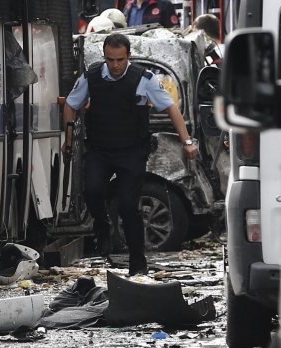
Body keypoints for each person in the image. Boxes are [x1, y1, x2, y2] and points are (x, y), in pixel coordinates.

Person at [62, 33, 199, 275]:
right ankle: (103, 226)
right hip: (100, 149)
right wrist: (69, 137)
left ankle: (138, 264)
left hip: (132, 152)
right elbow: (71, 104)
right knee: (92, 192)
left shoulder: (144, 79)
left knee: (129, 207)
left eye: (120, 60)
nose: (115, 65)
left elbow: (170, 108)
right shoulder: (92, 77)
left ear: (129, 56)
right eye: (110, 60)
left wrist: (187, 141)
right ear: (104, 57)